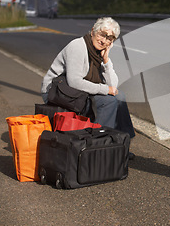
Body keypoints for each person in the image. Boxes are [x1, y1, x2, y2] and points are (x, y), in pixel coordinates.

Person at [41, 17, 136, 157]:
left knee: (120, 96)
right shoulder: (78, 46)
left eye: (110, 38)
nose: (105, 41)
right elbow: (74, 82)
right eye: (102, 35)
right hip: (57, 92)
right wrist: (105, 90)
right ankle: (99, 147)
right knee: (108, 102)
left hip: (76, 93)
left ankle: (121, 146)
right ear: (93, 31)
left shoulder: (100, 53)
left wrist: (106, 61)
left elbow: (113, 86)